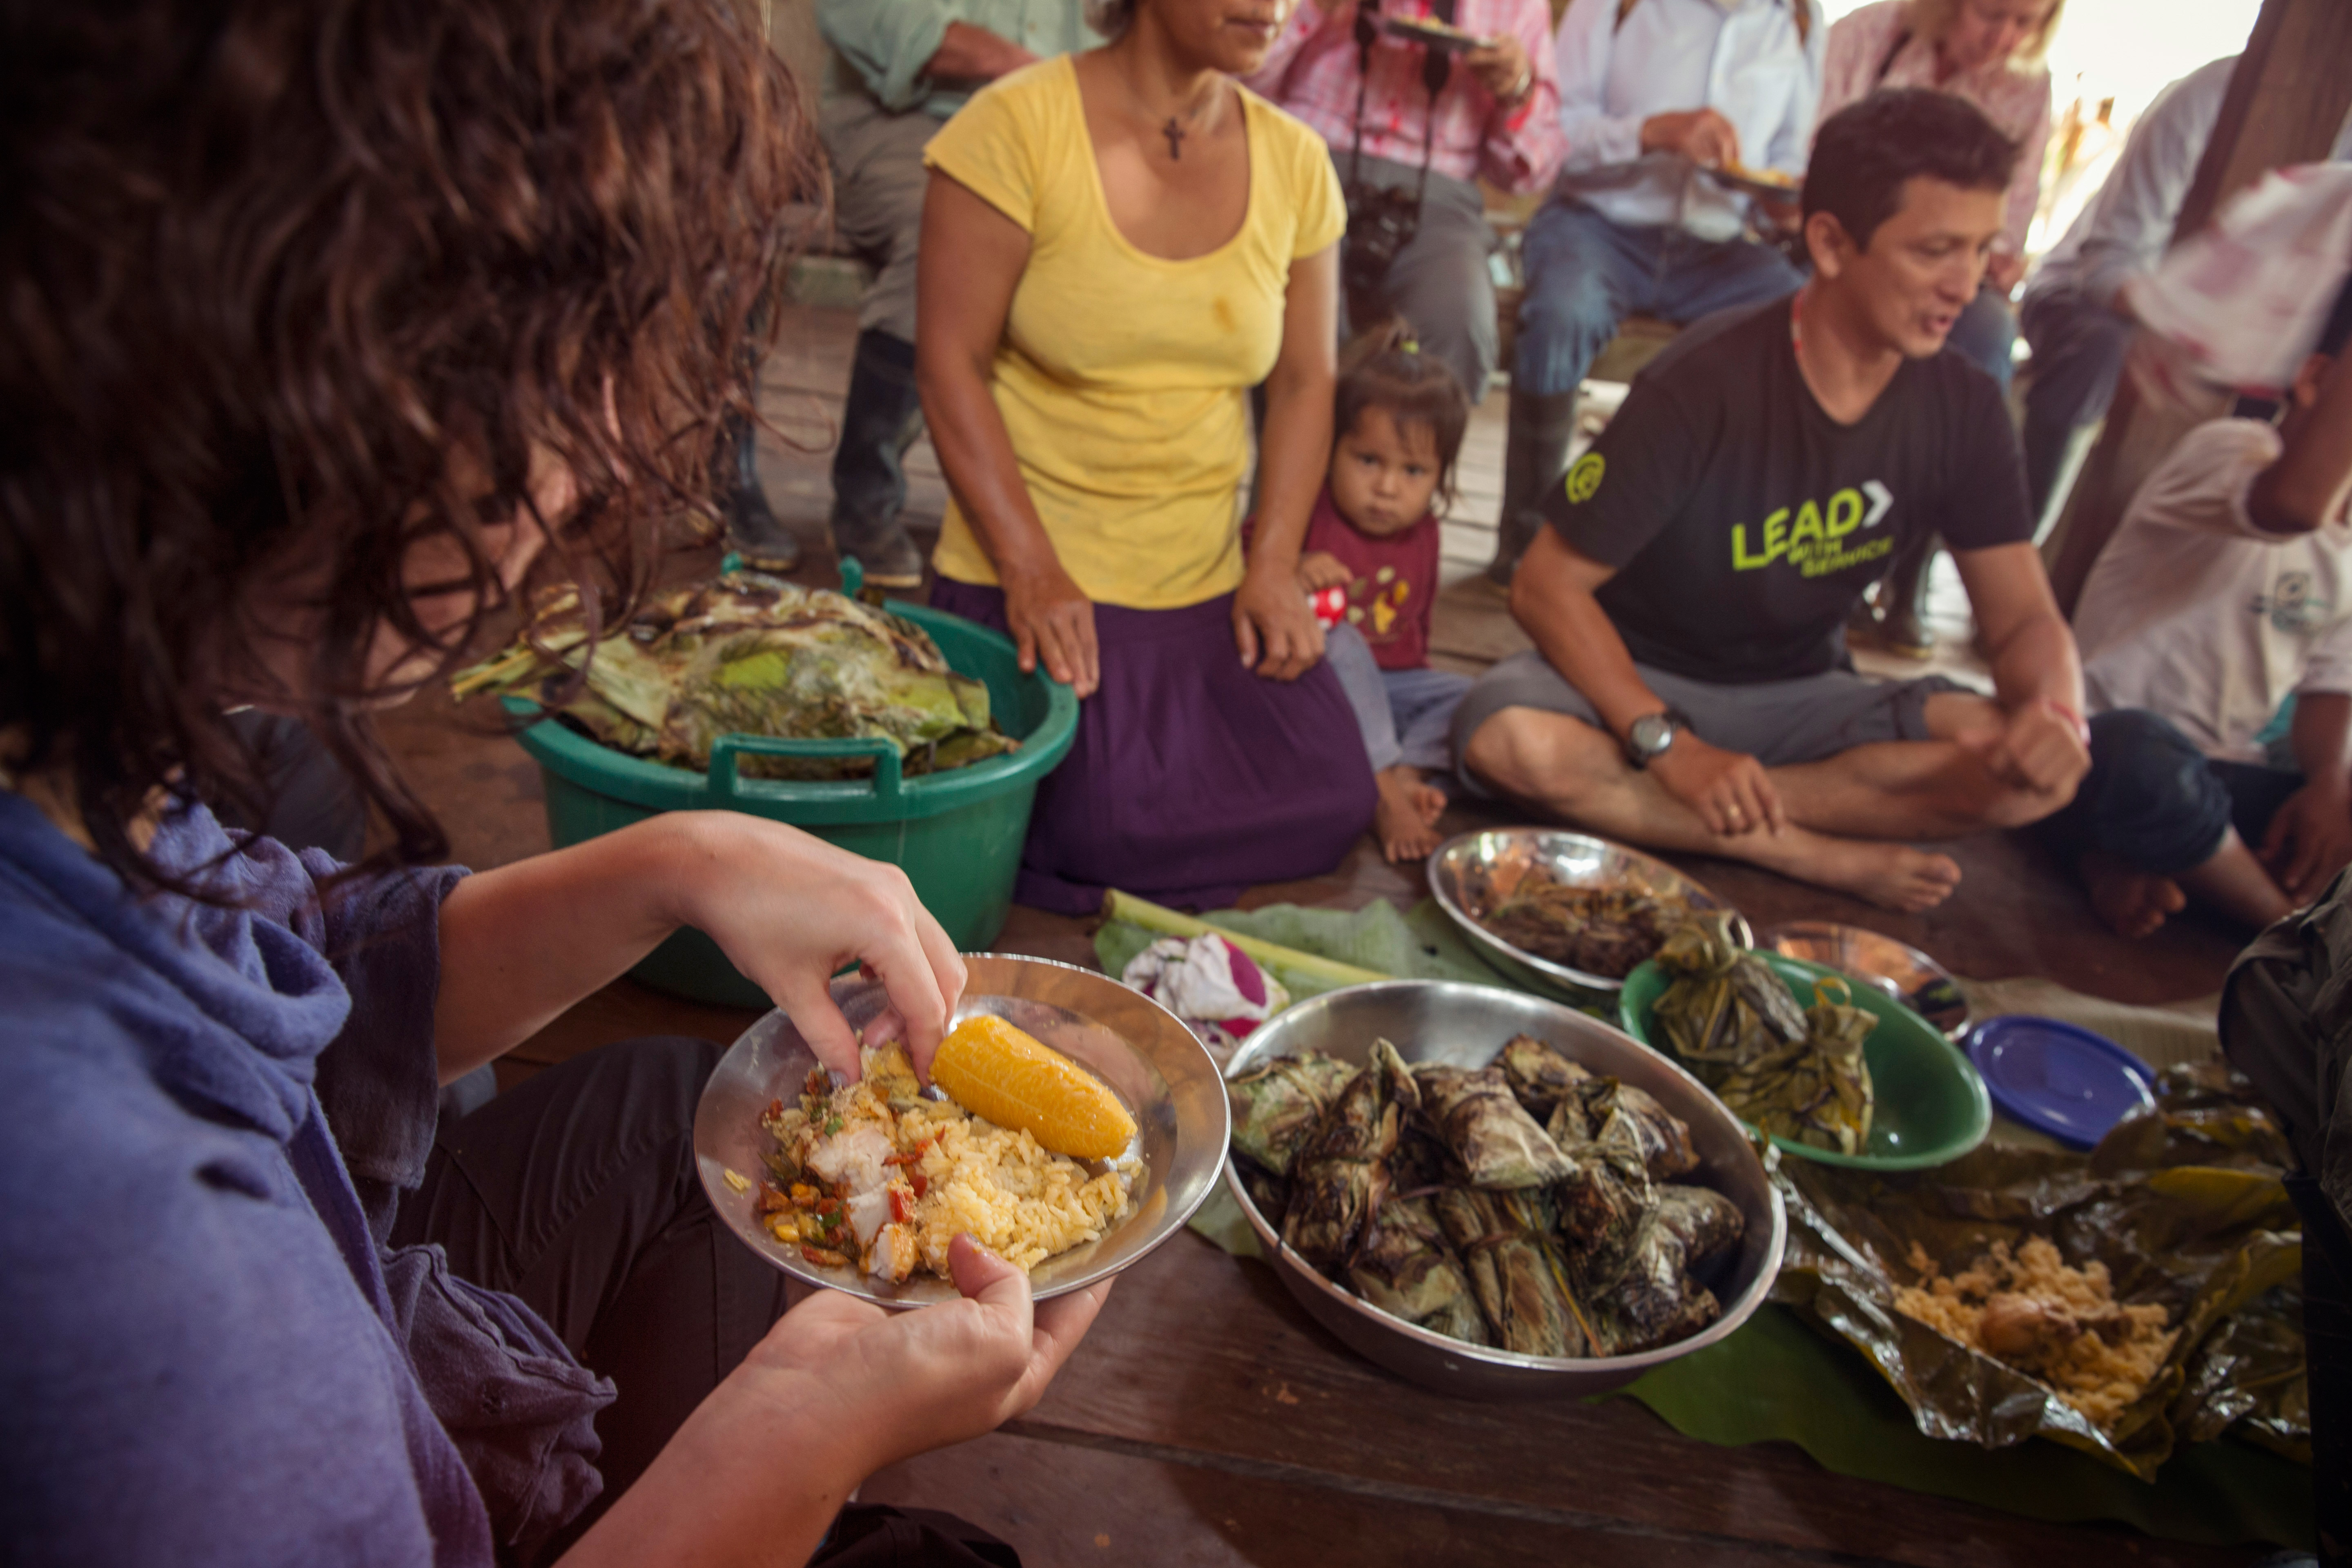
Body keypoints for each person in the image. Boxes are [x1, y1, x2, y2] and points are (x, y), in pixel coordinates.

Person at [0, 2, 1110, 1563]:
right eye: (543, 374)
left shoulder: (71, 747)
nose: (590, 469)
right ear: (281, 373)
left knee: (670, 1106)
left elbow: (287, 975)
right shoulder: (143, 1285)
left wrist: (677, 860)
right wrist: (788, 1455)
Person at [1453, 90, 2091, 913]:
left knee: (2016, 771)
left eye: (1981, 250)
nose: (1965, 285)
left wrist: (2057, 716)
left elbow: (2024, 621)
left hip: (1802, 696)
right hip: (1641, 680)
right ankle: (1809, 854)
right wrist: (1669, 746)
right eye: (1936, 250)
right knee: (1512, 741)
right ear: (1829, 243)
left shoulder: (1964, 404)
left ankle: (1720, 817)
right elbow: (1546, 586)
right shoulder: (1704, 380)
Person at [918, 0, 1378, 913]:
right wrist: (1032, 570)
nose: (1274, 7)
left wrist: (1275, 564)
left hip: (1208, 584)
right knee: (1102, 825)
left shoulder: (1295, 160)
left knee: (1338, 797)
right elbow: (948, 365)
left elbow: (1303, 384)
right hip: (1044, 583)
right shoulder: (1013, 126)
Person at [2040, 281, 2352, 940]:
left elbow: (2330, 690)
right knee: (2134, 763)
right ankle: (2288, 935)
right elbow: (2295, 504)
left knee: (2327, 802)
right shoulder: (2230, 452)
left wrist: (2331, 783)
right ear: (2319, 378)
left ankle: (2158, 863)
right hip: (2100, 746)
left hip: (2224, 781)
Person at [1490, 0, 1822, 585]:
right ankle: (1528, 533)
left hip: (1719, 244)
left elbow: (1789, 158)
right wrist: (1651, 133)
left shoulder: (1798, 20)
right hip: (1598, 221)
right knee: (1562, 314)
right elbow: (1554, 132)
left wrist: (1785, 200)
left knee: (1803, 327)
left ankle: (1713, 558)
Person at [817, 0, 1097, 588]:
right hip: (901, 121)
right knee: (944, 237)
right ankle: (867, 490)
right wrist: (1021, 67)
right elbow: (870, 20)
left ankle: (1063, 498)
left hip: (1053, 129)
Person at [1820, 0, 2060, 659]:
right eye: (1993, 14)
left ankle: (1910, 572)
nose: (2007, 37)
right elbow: (1814, 154)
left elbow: (2014, 212)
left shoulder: (2027, 87)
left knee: (1983, 340)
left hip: (1947, 277)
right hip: (1842, 250)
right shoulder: (1867, 38)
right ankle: (1825, 564)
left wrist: (1990, 253)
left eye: (2027, 23)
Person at [1243, 0, 1566, 406]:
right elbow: (1231, 85)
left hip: (1437, 196)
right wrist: (1309, 11)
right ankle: (1298, 465)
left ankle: (1410, 465)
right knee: (1302, 312)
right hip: (1311, 161)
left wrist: (1517, 91)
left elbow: (1530, 173)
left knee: (1459, 318)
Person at [1300, 324, 1476, 862]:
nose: (1388, 488)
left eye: (1414, 471)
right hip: (1321, 688)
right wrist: (1295, 568)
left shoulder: (1425, 533)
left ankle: (1404, 769)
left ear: (1440, 476)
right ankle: (1383, 795)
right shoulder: (1309, 511)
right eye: (1369, 461)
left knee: (1476, 699)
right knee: (1346, 642)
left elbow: (1417, 631)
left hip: (1396, 689)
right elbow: (1248, 562)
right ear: (1332, 450)